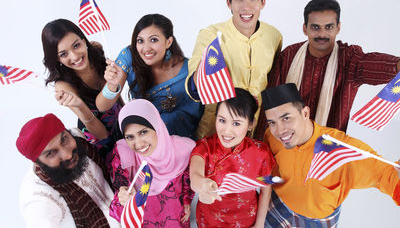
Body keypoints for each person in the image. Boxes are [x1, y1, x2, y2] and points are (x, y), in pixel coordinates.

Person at [256, 0, 400, 138]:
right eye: (315, 27)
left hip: (326, 151)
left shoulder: (348, 59)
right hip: (284, 147)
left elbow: (378, 66)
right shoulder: (289, 56)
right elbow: (270, 105)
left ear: (338, 28)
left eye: (329, 27)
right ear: (305, 29)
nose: (322, 34)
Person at [261, 83, 400, 227]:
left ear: (305, 113)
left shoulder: (344, 149)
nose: (279, 130)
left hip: (317, 221)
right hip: (277, 206)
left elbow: (387, 177)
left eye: (286, 118)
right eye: (272, 122)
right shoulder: (271, 136)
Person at [185, 0, 282, 139]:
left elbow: (273, 81)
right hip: (214, 134)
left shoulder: (274, 36)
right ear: (229, 3)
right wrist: (200, 76)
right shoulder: (210, 35)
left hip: (255, 134)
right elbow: (193, 86)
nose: (246, 7)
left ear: (263, 2)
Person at [96, 14, 203, 140]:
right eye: (140, 41)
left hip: (184, 140)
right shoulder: (129, 56)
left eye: (153, 40)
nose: (146, 49)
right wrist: (112, 84)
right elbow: (102, 106)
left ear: (168, 42)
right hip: (144, 140)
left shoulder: (188, 69)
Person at [190, 88, 276, 227]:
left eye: (236, 123)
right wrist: (202, 186)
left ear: (251, 124)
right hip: (210, 221)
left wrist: (259, 224)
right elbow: (195, 176)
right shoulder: (205, 147)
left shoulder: (261, 153)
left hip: (246, 221)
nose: (227, 130)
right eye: (222, 120)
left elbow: (266, 189)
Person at [17, 113, 120, 227]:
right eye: (51, 153)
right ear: (37, 162)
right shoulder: (38, 198)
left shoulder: (79, 138)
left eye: (64, 139)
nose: (67, 154)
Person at [42, 19, 123, 159]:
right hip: (101, 140)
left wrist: (128, 114)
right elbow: (102, 134)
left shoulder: (97, 53)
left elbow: (116, 95)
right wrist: (79, 105)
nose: (75, 56)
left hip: (122, 122)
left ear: (84, 40)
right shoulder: (63, 86)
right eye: (63, 54)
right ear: (57, 59)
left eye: (76, 45)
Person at [109, 99, 195, 227]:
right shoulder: (122, 153)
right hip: (144, 220)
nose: (138, 144)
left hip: (176, 218)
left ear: (156, 126)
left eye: (143, 132)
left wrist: (187, 200)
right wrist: (123, 195)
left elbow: (188, 181)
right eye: (130, 137)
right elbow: (120, 191)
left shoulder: (184, 148)